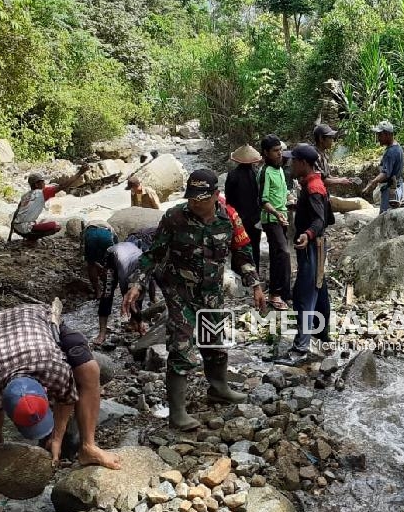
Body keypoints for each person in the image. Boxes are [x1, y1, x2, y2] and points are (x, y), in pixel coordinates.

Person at [122, 169, 266, 431]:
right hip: (179, 292)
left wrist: (255, 285)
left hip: (211, 292)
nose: (195, 202)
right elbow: (153, 254)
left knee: (214, 341)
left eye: (201, 197)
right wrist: (136, 284)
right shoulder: (174, 217)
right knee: (181, 345)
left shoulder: (229, 218)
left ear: (215, 195)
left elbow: (242, 253)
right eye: (192, 197)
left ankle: (219, 388)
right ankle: (177, 413)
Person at [0, 302, 121, 512]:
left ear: (44, 388)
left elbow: (66, 398)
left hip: (40, 317)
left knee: (89, 370)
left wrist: (57, 438)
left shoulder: (55, 368)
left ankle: (88, 447)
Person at [282, 144, 333, 363]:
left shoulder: (313, 187)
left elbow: (320, 219)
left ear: (303, 163)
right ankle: (322, 335)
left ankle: (301, 348)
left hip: (312, 246)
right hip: (318, 245)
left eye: (293, 161)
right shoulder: (314, 184)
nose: (290, 164)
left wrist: (307, 234)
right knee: (319, 289)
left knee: (304, 294)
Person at [95, 230, 157, 346]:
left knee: (138, 295)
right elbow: (128, 299)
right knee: (108, 294)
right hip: (113, 257)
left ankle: (135, 323)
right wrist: (141, 321)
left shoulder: (148, 266)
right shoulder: (126, 271)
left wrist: (153, 302)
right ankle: (102, 332)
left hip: (131, 251)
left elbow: (150, 285)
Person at [258, 135, 291, 311]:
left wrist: (289, 200)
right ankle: (276, 294)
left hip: (282, 216)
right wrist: (276, 213)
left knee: (277, 255)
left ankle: (283, 291)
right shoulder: (265, 172)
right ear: (266, 153)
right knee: (283, 253)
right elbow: (262, 201)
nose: (279, 154)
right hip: (271, 219)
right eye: (275, 151)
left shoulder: (279, 169)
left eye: (280, 150)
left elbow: (282, 194)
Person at [12, 166, 88, 243]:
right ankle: (32, 238)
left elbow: (16, 213)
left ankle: (30, 236)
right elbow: (63, 186)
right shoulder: (42, 192)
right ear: (36, 185)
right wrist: (79, 173)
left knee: (38, 222)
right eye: (42, 182)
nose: (44, 183)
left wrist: (10, 235)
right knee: (56, 226)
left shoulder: (25, 196)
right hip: (25, 228)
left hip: (17, 227)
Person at [224, 145, 263, 272]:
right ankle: (254, 273)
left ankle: (238, 273)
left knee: (238, 247)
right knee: (254, 247)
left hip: (238, 218)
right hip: (255, 218)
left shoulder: (232, 175)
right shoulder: (257, 174)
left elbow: (228, 198)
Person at [362, 121, 404, 212]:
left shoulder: (391, 152)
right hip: (398, 186)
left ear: (388, 134)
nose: (378, 138)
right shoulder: (397, 147)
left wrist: (372, 183)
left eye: (380, 135)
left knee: (386, 218)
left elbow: (385, 173)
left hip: (391, 191)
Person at [81, 221, 118, 300]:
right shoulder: (112, 230)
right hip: (106, 235)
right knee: (110, 264)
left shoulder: (86, 229)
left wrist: (91, 261)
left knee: (91, 264)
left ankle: (98, 291)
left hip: (91, 235)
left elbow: (82, 249)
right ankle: (107, 288)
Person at [313, 124, 356, 188]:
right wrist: (340, 181)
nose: (332, 140)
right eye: (330, 137)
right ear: (321, 138)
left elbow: (326, 176)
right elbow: (320, 180)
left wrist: (341, 179)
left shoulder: (323, 154)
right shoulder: (315, 156)